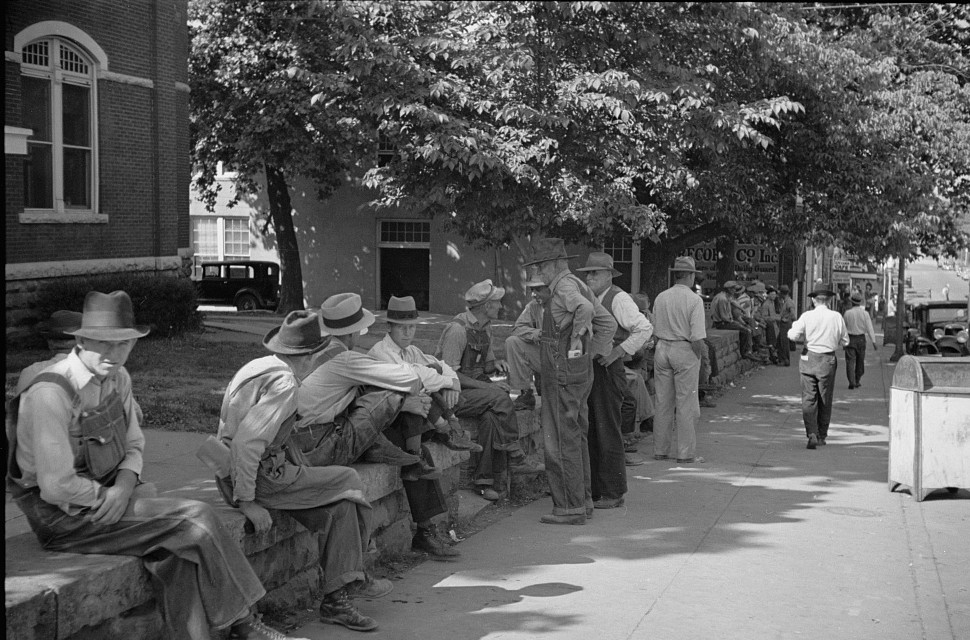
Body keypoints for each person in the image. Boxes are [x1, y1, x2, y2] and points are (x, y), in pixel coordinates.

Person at [7, 290, 301, 640]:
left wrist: (125, 486)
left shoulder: (118, 379)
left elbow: (134, 444)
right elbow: (56, 486)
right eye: (103, 343)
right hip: (62, 516)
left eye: (124, 344)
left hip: (110, 495)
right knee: (197, 518)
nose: (114, 354)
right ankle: (246, 624)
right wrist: (113, 497)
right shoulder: (51, 392)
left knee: (177, 553)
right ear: (81, 340)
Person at [218, 308, 394, 632]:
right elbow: (247, 443)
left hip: (240, 470)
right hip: (259, 477)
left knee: (341, 506)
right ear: (313, 355)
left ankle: (338, 596)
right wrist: (247, 501)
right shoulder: (286, 384)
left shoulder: (260, 366)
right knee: (349, 478)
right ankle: (356, 574)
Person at [294, 293, 460, 561]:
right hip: (320, 442)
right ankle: (426, 530)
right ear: (356, 331)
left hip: (309, 437)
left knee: (411, 449)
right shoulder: (346, 359)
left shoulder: (325, 353)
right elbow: (407, 378)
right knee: (397, 404)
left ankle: (426, 525)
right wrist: (434, 380)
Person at [523, 238, 616, 525]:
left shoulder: (563, 286)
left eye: (540, 266)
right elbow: (608, 324)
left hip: (562, 370)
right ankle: (583, 500)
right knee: (576, 435)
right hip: (577, 371)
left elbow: (585, 312)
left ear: (552, 265)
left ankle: (568, 507)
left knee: (560, 439)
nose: (538, 272)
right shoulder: (579, 283)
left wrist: (576, 337)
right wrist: (590, 354)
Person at [435, 279, 543, 500]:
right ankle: (515, 455)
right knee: (499, 398)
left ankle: (484, 482)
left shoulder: (485, 329)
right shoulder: (458, 330)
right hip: (452, 394)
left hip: (476, 392)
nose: (501, 307)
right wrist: (488, 386)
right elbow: (450, 375)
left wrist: (497, 366)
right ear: (486, 306)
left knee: (491, 418)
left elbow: (485, 367)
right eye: (497, 303)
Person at [577, 251, 653, 503]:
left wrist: (619, 352)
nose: (590, 277)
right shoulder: (590, 297)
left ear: (610, 274)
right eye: (588, 273)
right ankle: (596, 488)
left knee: (607, 429)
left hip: (609, 370)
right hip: (593, 369)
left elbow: (644, 328)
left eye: (596, 273)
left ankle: (613, 491)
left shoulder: (618, 298)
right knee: (594, 429)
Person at [651, 257, 708, 464]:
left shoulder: (661, 297)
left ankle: (660, 449)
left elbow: (654, 328)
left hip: (662, 347)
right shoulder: (694, 300)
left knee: (662, 402)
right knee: (686, 403)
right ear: (691, 276)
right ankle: (685, 453)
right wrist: (700, 357)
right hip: (684, 348)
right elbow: (697, 337)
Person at [788, 283, 849, 450]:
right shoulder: (836, 317)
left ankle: (811, 432)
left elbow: (792, 335)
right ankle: (822, 435)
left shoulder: (807, 316)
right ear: (828, 300)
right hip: (827, 359)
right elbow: (846, 340)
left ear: (814, 300)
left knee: (809, 398)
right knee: (825, 398)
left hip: (809, 357)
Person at [504, 277, 551, 411]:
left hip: (564, 358)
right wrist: (538, 333)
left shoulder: (564, 304)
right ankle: (525, 393)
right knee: (512, 342)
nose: (533, 294)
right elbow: (517, 328)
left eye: (538, 289)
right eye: (532, 289)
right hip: (544, 355)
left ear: (550, 288)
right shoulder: (533, 306)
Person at [711, 281, 759, 361]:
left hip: (726, 320)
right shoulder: (722, 299)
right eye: (733, 289)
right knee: (746, 330)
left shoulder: (725, 296)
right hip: (722, 323)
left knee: (748, 326)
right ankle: (745, 352)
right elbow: (724, 317)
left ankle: (752, 349)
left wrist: (742, 309)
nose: (735, 290)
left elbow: (732, 302)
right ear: (729, 289)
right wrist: (734, 322)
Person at [843, 291, 877, 389]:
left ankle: (851, 381)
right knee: (860, 361)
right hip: (861, 339)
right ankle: (857, 380)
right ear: (860, 302)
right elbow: (869, 328)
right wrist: (873, 341)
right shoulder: (865, 314)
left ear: (852, 302)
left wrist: (842, 341)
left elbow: (843, 328)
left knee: (850, 361)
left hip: (850, 339)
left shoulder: (847, 313)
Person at [776, 285, 796, 367]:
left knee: (784, 342)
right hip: (784, 323)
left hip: (786, 324)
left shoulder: (789, 302)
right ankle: (783, 359)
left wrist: (786, 319)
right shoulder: (785, 301)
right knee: (780, 342)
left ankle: (785, 360)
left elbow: (792, 314)